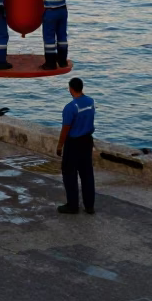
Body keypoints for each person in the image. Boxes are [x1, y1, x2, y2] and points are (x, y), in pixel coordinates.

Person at [56, 76, 96, 215]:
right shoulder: (90, 102)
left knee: (69, 174)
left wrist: (60, 145)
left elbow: (65, 128)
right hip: (87, 141)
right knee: (87, 174)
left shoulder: (70, 107)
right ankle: (89, 206)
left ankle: (73, 206)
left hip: (73, 143)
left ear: (71, 89)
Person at [25, 0, 72, 70]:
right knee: (62, 36)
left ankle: (50, 63)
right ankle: (62, 61)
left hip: (51, 12)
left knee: (49, 37)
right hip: (62, 11)